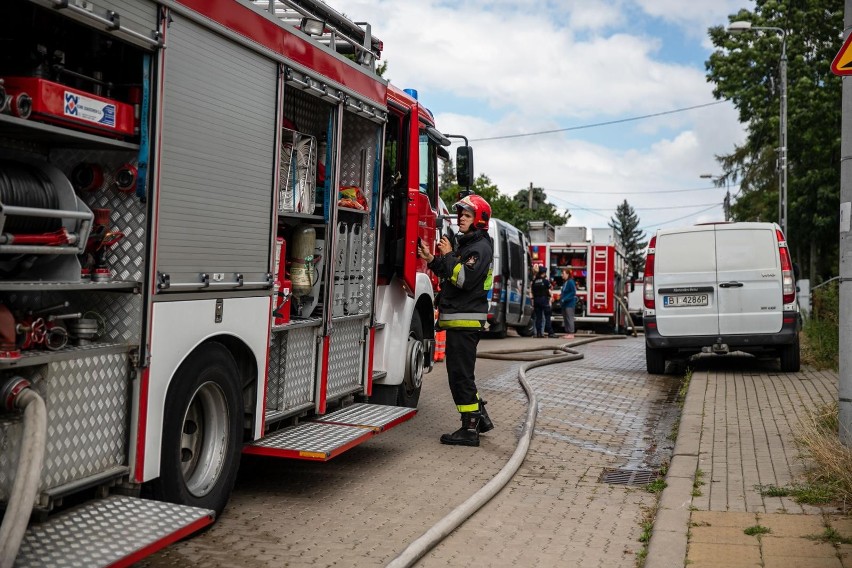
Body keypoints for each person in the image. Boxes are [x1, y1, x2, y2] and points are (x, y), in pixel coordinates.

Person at [417, 194, 495, 447]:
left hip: (466, 322)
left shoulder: (479, 248)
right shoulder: (468, 245)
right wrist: (432, 260)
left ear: (479, 221)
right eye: (460, 213)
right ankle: (479, 418)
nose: (460, 217)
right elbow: (452, 273)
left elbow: (463, 280)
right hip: (461, 321)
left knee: (460, 376)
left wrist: (449, 255)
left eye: (467, 214)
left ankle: (469, 428)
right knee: (463, 375)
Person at [531, 266, 556, 338]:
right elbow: (550, 288)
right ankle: (550, 332)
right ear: (544, 273)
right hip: (543, 300)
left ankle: (538, 333)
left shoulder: (534, 281)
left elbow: (533, 291)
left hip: (536, 300)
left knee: (538, 317)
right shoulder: (545, 281)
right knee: (547, 316)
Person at [560, 268, 577, 339]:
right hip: (565, 304)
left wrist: (565, 298)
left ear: (567, 274)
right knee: (566, 318)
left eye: (563, 274)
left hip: (569, 304)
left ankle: (571, 333)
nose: (562, 275)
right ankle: (567, 332)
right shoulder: (565, 282)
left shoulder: (570, 282)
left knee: (569, 318)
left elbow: (573, 292)